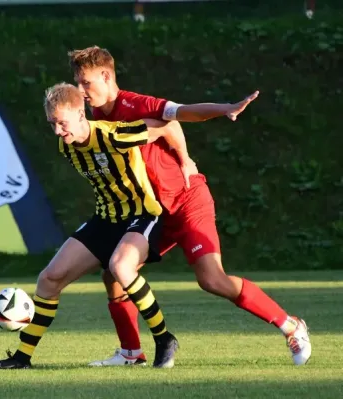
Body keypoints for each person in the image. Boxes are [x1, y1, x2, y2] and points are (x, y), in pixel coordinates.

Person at [67, 45, 311, 367]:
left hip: (185, 199)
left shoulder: (134, 104)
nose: (81, 91)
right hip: (154, 211)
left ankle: (291, 326)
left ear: (106, 75)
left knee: (212, 279)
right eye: (77, 83)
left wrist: (223, 110)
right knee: (115, 272)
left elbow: (178, 115)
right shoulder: (97, 116)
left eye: (86, 83)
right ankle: (131, 354)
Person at [0, 82, 184, 370]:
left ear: (80, 113)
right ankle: (21, 359)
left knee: (120, 267)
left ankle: (164, 339)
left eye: (62, 123)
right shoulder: (67, 144)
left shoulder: (116, 135)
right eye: (52, 124)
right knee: (49, 279)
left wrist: (186, 161)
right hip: (105, 219)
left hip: (141, 215)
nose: (58, 131)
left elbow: (167, 122)